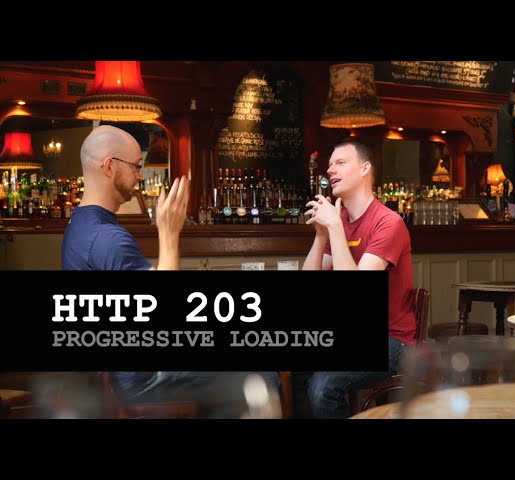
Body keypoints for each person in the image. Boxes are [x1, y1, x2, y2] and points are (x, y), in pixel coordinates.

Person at [62, 125, 279, 418]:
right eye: (135, 166)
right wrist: (169, 232)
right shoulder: (107, 237)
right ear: (109, 167)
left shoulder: (80, 226)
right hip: (141, 381)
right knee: (261, 378)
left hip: (117, 377)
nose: (139, 175)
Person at [302, 141, 415, 418]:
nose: (330, 170)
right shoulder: (338, 221)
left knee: (322, 387)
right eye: (330, 165)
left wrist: (334, 227)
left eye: (340, 163)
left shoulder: (388, 223)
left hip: (392, 340)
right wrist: (321, 236)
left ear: (365, 169)